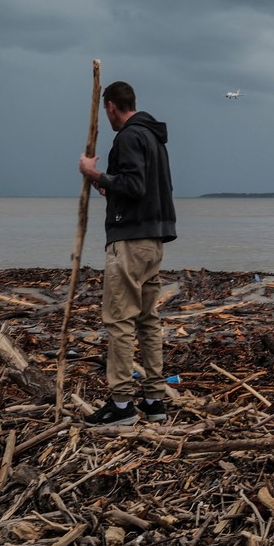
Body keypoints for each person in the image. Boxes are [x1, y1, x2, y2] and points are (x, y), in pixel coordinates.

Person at [77, 80, 177, 425]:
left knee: (119, 319)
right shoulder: (152, 138)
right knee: (148, 319)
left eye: (107, 111)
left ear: (110, 107)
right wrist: (110, 187)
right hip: (154, 239)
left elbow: (134, 184)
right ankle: (154, 399)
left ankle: (121, 405)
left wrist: (96, 174)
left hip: (131, 242)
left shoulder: (130, 136)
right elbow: (142, 187)